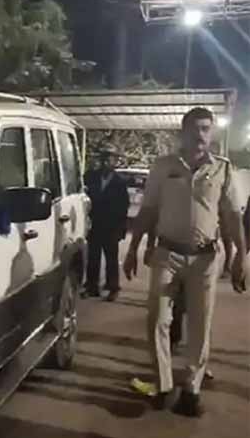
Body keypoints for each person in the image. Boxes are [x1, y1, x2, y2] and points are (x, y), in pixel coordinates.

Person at [123, 107, 247, 417]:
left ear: (211, 132)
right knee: (157, 319)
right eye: (195, 128)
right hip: (167, 255)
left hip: (205, 258)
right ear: (184, 131)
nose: (200, 134)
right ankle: (164, 385)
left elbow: (232, 217)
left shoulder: (222, 168)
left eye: (206, 128)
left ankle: (192, 389)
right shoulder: (164, 166)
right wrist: (133, 248)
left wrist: (240, 256)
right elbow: (148, 209)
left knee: (200, 324)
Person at [84, 145, 130, 301]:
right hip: (94, 224)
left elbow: (124, 207)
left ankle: (113, 288)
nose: (106, 162)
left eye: (110, 159)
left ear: (115, 161)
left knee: (111, 259)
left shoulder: (119, 182)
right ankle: (92, 286)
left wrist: (121, 228)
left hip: (111, 227)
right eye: (104, 158)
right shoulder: (90, 176)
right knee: (93, 257)